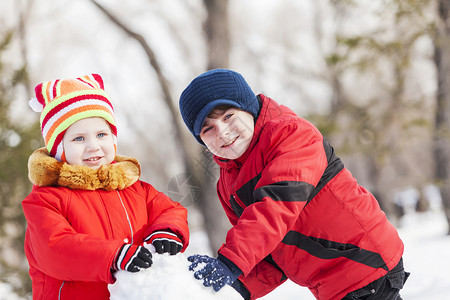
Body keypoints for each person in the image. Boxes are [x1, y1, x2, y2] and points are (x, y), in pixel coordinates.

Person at [179, 69, 409, 300]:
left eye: (228, 116)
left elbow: (277, 205)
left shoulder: (290, 134)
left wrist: (230, 262)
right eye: (208, 129)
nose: (222, 132)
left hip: (364, 263)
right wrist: (235, 286)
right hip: (332, 283)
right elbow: (268, 250)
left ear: (248, 108)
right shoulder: (227, 185)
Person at [22, 74, 189, 299]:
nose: (93, 146)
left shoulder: (134, 188)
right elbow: (55, 247)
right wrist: (113, 256)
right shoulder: (46, 199)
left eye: (101, 134)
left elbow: (170, 210)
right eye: (79, 139)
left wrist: (167, 231)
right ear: (58, 149)